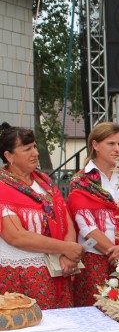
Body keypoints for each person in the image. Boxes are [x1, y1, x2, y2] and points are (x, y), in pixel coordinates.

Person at [0, 122, 84, 309]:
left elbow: (64, 217)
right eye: (27, 149)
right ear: (9, 156)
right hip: (22, 277)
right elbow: (16, 236)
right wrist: (65, 248)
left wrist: (68, 254)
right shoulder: (2, 188)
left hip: (57, 272)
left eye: (35, 147)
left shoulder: (44, 182)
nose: (35, 153)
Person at [67, 122, 119, 306]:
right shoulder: (81, 181)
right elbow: (87, 227)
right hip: (94, 257)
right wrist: (116, 254)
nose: (117, 149)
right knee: (96, 311)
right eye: (111, 144)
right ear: (95, 145)